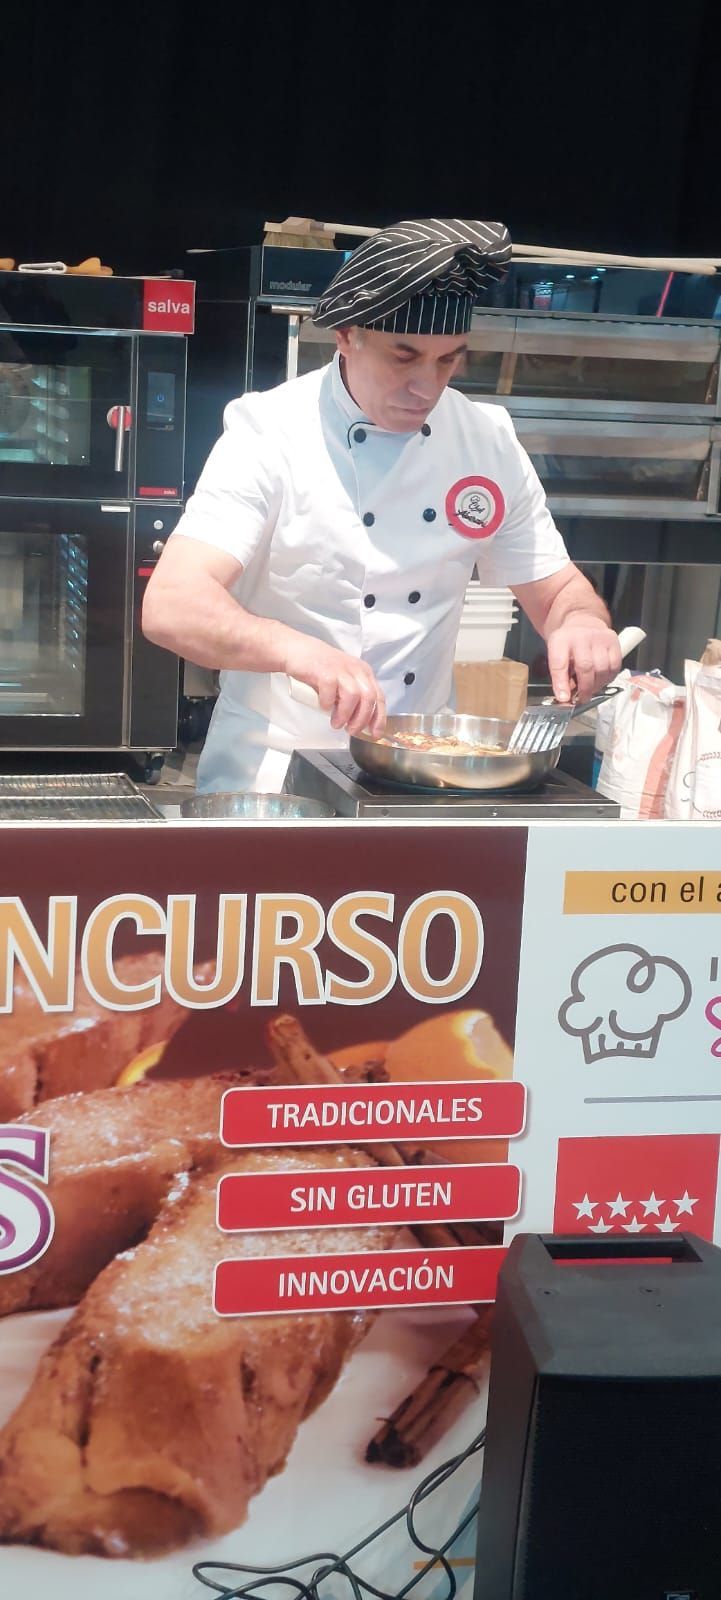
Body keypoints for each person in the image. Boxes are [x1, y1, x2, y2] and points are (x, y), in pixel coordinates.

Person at [142, 219, 622, 793]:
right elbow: (172, 605)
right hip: (273, 771)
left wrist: (582, 623)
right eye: (404, 356)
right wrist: (304, 654)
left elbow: (558, 590)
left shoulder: (485, 440)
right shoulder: (269, 432)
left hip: (424, 765)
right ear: (346, 335)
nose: (427, 386)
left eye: (448, 361)